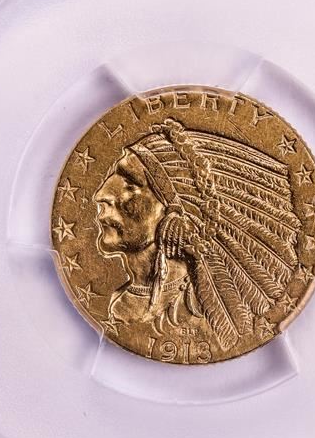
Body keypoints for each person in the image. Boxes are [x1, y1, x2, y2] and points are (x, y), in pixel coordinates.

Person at [94, 117, 300, 352]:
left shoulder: (191, 308)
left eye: (130, 184)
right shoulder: (121, 303)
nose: (101, 194)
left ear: (175, 212)